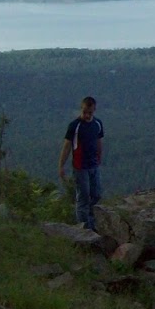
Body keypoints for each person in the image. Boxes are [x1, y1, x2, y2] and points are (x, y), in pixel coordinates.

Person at [58, 96, 105, 231]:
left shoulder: (97, 124)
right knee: (83, 197)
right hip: (80, 167)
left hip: (93, 164)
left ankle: (91, 222)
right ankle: (84, 229)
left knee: (96, 194)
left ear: (94, 110)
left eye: (89, 112)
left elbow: (99, 141)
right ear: (81, 109)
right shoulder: (75, 126)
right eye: (84, 112)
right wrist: (61, 166)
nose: (86, 115)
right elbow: (67, 146)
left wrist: (99, 156)